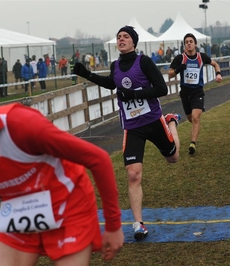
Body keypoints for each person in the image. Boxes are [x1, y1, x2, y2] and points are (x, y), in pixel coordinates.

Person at [0, 63, 124, 266]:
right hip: (20, 214)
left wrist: (113, 226)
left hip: (70, 210)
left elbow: (98, 159)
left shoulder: (20, 125)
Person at [73, 26, 181, 240]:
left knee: (173, 157)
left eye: (125, 36)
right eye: (119, 37)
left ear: (134, 42)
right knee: (133, 175)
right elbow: (109, 84)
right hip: (132, 127)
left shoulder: (144, 62)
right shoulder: (115, 66)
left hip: (153, 120)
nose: (121, 39)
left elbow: (161, 89)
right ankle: (138, 224)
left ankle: (171, 123)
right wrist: (86, 74)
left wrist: (133, 94)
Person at [169, 33, 222, 155]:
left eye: (191, 41)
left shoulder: (201, 57)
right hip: (185, 93)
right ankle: (196, 128)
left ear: (195, 44)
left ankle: (193, 143)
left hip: (197, 91)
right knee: (190, 118)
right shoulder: (180, 58)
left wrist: (218, 73)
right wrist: (178, 69)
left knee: (195, 117)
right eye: (186, 42)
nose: (188, 43)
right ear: (184, 45)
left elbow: (215, 64)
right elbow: (170, 74)